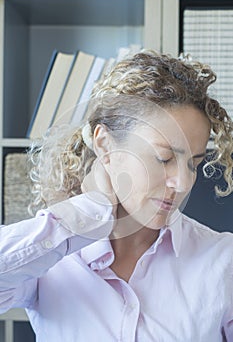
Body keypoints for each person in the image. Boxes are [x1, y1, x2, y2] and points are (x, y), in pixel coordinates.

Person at [0, 50, 233, 341]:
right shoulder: (49, 258)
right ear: (105, 145)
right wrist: (88, 212)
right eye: (164, 158)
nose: (184, 182)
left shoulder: (223, 260)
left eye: (193, 164)